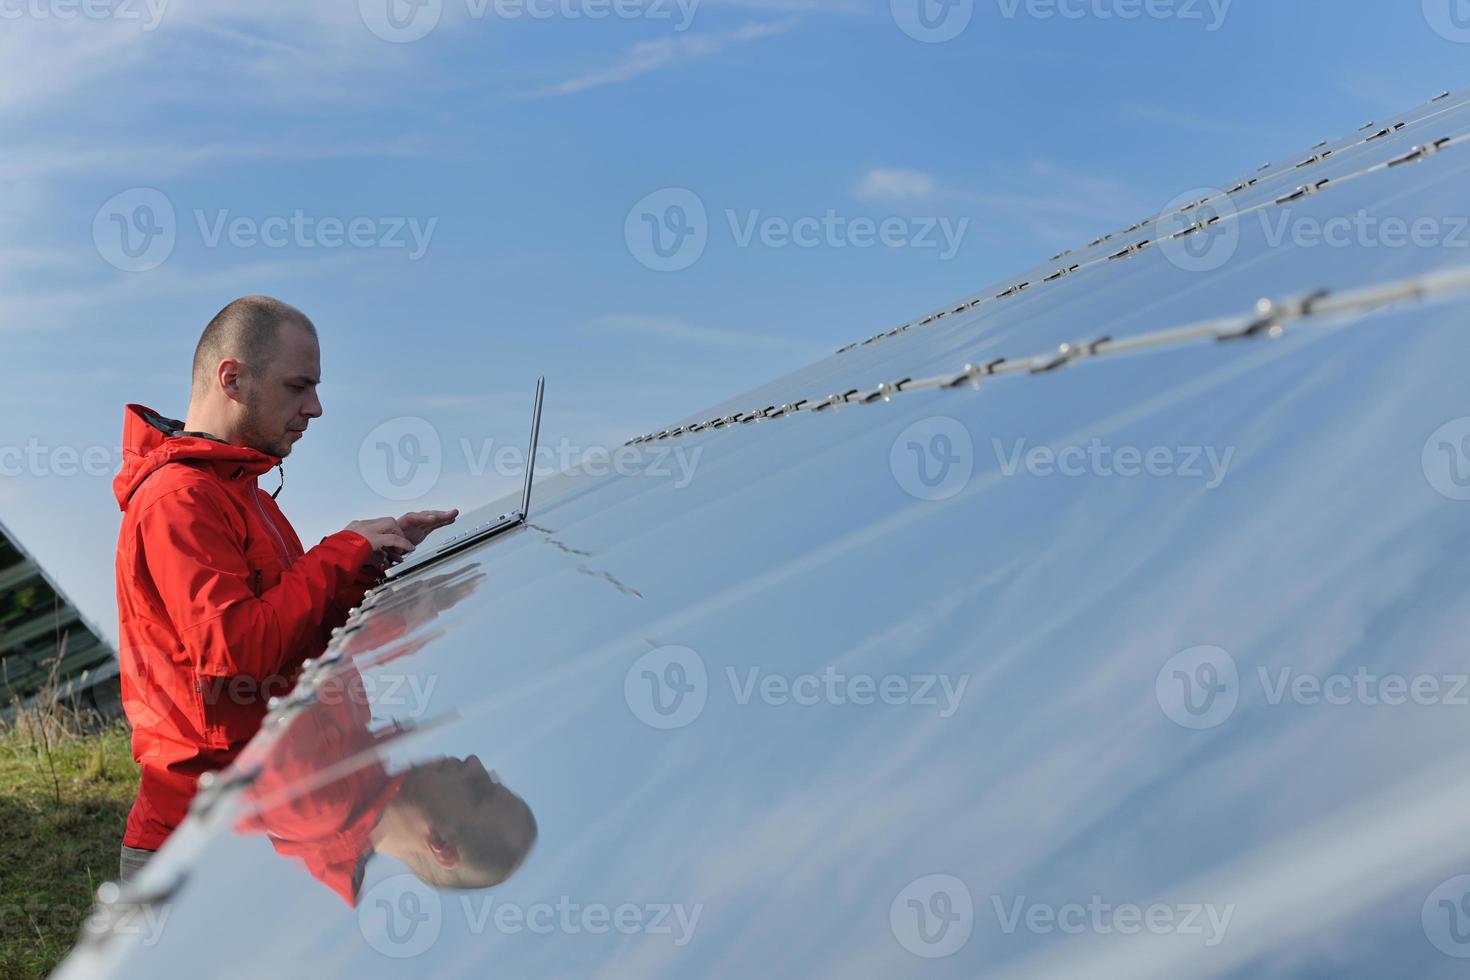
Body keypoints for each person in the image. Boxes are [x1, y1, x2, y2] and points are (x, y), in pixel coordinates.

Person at [112, 296, 458, 884]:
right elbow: (238, 654)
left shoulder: (239, 491)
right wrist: (341, 550)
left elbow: (291, 631)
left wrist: (367, 567)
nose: (316, 408)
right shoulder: (180, 500)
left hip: (251, 826)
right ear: (233, 378)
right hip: (193, 850)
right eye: (299, 386)